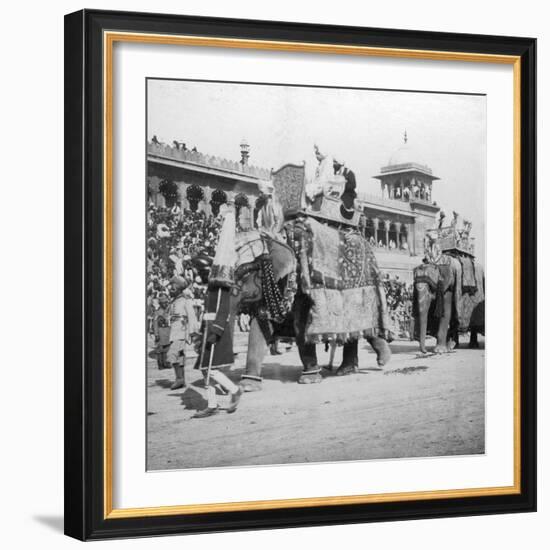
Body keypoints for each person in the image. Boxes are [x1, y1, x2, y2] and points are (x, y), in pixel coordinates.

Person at [166, 276, 200, 390]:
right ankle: (181, 379)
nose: (170, 289)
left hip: (180, 331)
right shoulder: (174, 301)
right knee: (179, 357)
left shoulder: (185, 300)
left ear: (177, 287)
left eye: (172, 286)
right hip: (173, 331)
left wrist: (193, 332)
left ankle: (179, 379)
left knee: (172, 354)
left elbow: (192, 316)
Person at [152, 293, 171, 370]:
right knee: (160, 350)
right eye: (164, 303)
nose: (166, 304)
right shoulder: (157, 312)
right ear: (160, 303)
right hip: (160, 332)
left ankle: (166, 363)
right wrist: (156, 334)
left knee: (167, 349)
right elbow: (155, 324)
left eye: (166, 302)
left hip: (167, 332)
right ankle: (160, 364)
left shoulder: (168, 311)